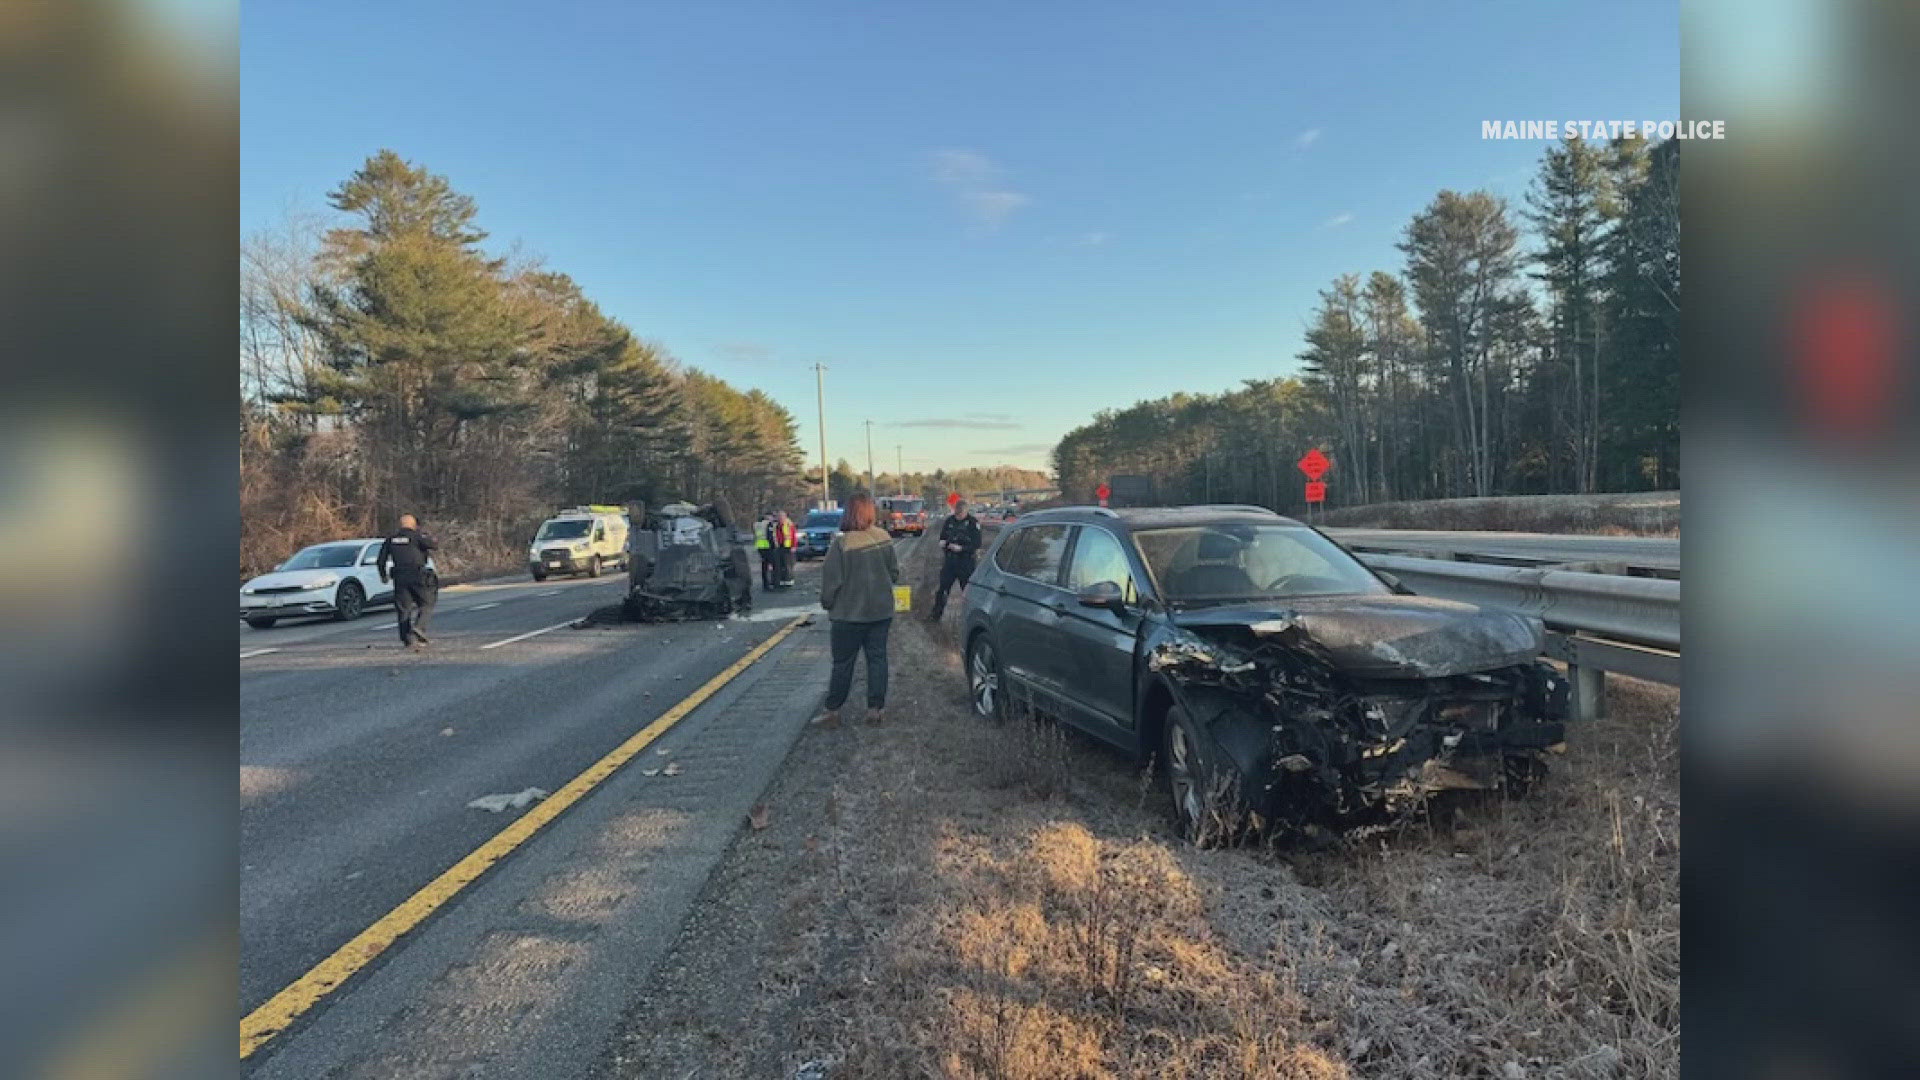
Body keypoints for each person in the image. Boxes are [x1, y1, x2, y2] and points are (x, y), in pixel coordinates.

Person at [818, 494, 899, 726]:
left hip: (848, 615)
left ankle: (833, 711)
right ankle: (875, 708)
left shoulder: (842, 543)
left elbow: (831, 582)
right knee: (877, 659)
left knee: (843, 663)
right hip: (880, 612)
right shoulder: (884, 538)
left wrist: (827, 603)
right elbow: (894, 573)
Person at [376, 513, 438, 648]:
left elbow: (381, 560)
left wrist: (383, 575)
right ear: (413, 525)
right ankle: (419, 628)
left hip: (399, 576)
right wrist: (429, 536)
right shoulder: (417, 537)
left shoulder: (391, 539)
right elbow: (433, 545)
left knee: (403, 609)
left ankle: (407, 639)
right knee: (427, 603)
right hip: (417, 575)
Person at [928, 498, 982, 620]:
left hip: (966, 562)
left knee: (968, 592)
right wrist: (943, 543)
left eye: (961, 514)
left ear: (966, 512)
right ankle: (936, 615)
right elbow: (943, 536)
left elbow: (977, 544)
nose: (958, 517)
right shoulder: (949, 521)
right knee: (942, 589)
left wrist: (962, 548)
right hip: (950, 562)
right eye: (957, 514)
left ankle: (972, 617)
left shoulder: (973, 523)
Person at [770, 509, 798, 587]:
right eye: (779, 517)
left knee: (787, 565)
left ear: (785, 517)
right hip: (779, 547)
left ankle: (789, 580)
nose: (780, 518)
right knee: (779, 564)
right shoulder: (776, 526)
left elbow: (794, 537)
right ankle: (782, 580)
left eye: (782, 517)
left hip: (788, 547)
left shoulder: (789, 525)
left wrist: (794, 546)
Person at [754, 513, 774, 590]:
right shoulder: (768, 524)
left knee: (764, 566)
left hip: (760, 546)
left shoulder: (756, 524)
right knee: (772, 565)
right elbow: (770, 536)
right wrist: (773, 545)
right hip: (767, 546)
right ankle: (771, 582)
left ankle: (765, 583)